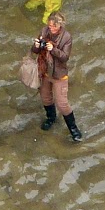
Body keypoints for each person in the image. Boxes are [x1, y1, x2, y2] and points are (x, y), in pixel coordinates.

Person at [33, 13, 81, 142]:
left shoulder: (66, 37)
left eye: (54, 26)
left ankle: (74, 129)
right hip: (45, 71)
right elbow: (35, 50)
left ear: (60, 25)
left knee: (62, 103)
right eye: (49, 25)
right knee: (45, 97)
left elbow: (64, 57)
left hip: (59, 74)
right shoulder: (44, 31)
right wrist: (36, 45)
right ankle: (51, 118)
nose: (51, 28)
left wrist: (53, 49)